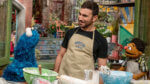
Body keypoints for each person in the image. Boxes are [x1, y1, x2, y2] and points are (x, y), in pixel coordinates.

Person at [54, 0, 108, 81]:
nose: (80, 18)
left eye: (85, 16)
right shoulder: (70, 33)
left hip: (83, 81)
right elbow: (60, 55)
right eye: (80, 14)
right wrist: (55, 74)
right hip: (63, 79)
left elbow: (102, 69)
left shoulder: (100, 40)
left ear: (94, 18)